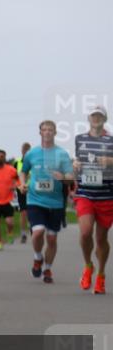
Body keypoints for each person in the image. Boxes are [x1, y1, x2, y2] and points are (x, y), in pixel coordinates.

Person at [19, 120, 75, 284]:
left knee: (51, 239)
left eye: (51, 130)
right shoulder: (32, 153)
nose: (48, 132)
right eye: (45, 130)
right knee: (38, 232)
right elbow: (23, 171)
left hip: (56, 202)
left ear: (55, 133)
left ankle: (47, 268)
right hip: (35, 200)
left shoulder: (62, 154)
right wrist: (22, 184)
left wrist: (63, 177)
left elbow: (70, 178)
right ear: (40, 133)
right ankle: (38, 257)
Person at [73, 106, 112, 295]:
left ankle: (101, 274)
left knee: (101, 239)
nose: (96, 118)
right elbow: (77, 161)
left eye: (99, 116)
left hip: (107, 195)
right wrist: (75, 164)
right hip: (85, 193)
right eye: (93, 115)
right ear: (89, 118)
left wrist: (110, 162)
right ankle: (88, 265)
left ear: (105, 119)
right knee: (86, 231)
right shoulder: (80, 138)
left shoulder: (111, 140)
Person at [13, 142, 32, 243]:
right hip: (21, 190)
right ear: (22, 151)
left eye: (27, 151)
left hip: (32, 189)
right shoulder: (17, 162)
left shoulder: (34, 162)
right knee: (23, 212)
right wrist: (18, 186)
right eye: (24, 151)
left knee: (32, 211)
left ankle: (32, 227)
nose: (25, 153)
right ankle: (23, 234)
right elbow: (13, 177)